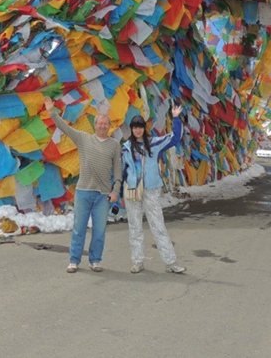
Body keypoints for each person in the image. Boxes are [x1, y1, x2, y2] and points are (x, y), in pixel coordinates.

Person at [43, 96, 121, 274]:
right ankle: (74, 260)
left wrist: (116, 190)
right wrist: (51, 111)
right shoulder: (83, 139)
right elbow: (65, 127)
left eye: (105, 124)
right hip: (83, 192)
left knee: (99, 231)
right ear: (95, 125)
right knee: (79, 229)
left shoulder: (114, 145)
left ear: (109, 126)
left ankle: (95, 260)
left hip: (103, 195)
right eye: (100, 123)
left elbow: (118, 169)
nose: (102, 126)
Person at [121, 105, 186, 274]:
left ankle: (171, 262)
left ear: (144, 128)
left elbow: (174, 138)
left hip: (150, 190)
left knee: (158, 225)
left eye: (140, 127)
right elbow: (121, 170)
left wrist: (176, 118)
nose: (138, 130)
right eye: (135, 127)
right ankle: (137, 261)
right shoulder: (125, 147)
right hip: (132, 192)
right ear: (131, 129)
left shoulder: (154, 144)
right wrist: (119, 191)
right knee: (134, 227)